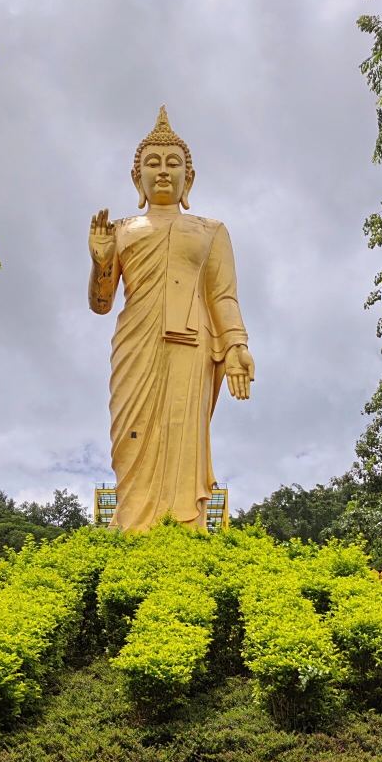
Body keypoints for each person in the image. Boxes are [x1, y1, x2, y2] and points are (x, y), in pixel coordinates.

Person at [88, 106, 254, 531]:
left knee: (182, 431)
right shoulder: (121, 229)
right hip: (135, 340)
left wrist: (236, 345)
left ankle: (183, 528)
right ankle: (131, 524)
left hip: (191, 345)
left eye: (173, 163)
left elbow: (222, 295)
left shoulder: (211, 230)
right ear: (137, 178)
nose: (163, 172)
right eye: (152, 163)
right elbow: (101, 303)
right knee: (132, 433)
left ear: (189, 178)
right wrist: (102, 263)